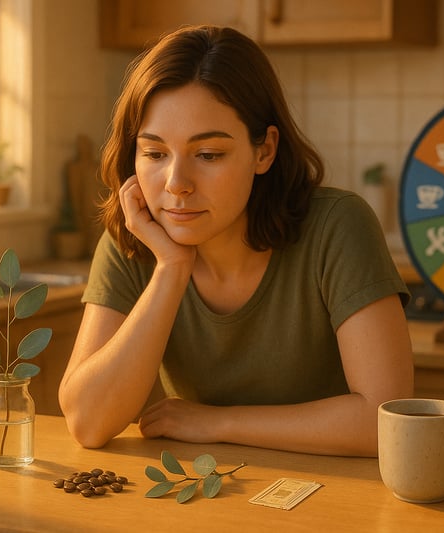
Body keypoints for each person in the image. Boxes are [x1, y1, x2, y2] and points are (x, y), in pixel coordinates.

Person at [58, 25, 414, 457]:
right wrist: (171, 269)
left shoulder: (338, 226)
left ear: (264, 150)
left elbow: (385, 421)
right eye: (154, 154)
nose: (176, 185)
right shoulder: (136, 238)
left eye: (208, 155)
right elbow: (87, 423)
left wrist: (217, 421)